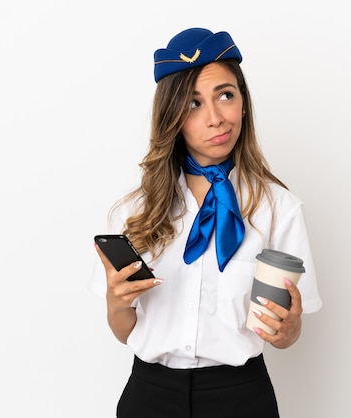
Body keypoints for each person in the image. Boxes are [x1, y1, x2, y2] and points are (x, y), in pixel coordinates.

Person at [91, 27, 322, 418]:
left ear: (243, 104)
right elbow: (125, 331)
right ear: (173, 117)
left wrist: (289, 329)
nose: (215, 118)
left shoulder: (279, 208)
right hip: (150, 396)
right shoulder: (135, 211)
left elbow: (286, 336)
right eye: (194, 104)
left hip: (241, 397)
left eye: (225, 96)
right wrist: (117, 303)